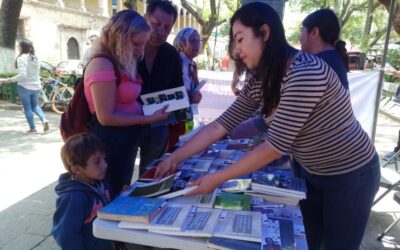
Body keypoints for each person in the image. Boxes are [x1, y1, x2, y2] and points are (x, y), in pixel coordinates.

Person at [155, 3, 380, 250]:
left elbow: (274, 147)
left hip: (350, 173)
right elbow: (221, 124)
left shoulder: (305, 71)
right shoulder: (263, 77)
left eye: (240, 39)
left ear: (264, 32)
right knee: (310, 241)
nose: (237, 50)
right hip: (309, 170)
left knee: (339, 245)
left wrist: (216, 178)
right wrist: (173, 158)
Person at [84, 9, 169, 195]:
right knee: (110, 193)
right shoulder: (102, 64)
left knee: (120, 188)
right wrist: (147, 119)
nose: (141, 50)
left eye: (143, 44)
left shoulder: (122, 61)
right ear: (119, 37)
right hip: (109, 141)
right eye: (137, 43)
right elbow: (106, 117)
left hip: (124, 139)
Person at [133, 0, 184, 176]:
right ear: (145, 18)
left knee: (151, 175)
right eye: (156, 24)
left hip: (158, 125)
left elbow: (177, 89)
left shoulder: (172, 55)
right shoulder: (126, 47)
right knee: (118, 177)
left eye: (167, 27)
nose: (161, 31)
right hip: (125, 122)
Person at [52, 133, 113, 250]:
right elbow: (65, 235)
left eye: (104, 159)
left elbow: (106, 200)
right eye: (97, 162)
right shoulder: (73, 198)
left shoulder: (98, 182)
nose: (105, 165)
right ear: (77, 169)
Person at [166, 27, 203, 150]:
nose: (197, 44)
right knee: (173, 147)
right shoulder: (176, 61)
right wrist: (190, 97)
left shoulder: (192, 64)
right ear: (181, 43)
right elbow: (170, 90)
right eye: (192, 41)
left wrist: (196, 94)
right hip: (173, 115)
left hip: (186, 112)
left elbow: (193, 86)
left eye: (198, 41)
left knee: (183, 144)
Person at [2, 39, 49, 133]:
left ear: (22, 47)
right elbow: (36, 72)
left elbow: (22, 75)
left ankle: (32, 128)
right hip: (36, 85)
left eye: (18, 46)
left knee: (27, 108)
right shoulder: (36, 57)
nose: (18, 47)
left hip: (24, 86)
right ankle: (44, 120)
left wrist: (10, 80)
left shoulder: (21, 58)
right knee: (35, 106)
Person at [300, 8, 349, 90]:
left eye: (301, 31)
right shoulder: (334, 58)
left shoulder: (316, 65)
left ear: (314, 32)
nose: (300, 38)